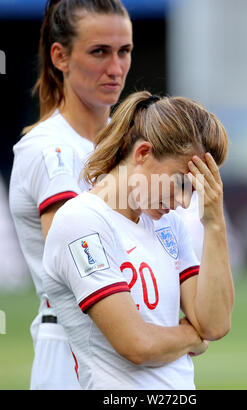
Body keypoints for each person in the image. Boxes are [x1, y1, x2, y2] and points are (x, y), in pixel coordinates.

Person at [42, 91, 235, 390]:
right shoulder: (81, 222)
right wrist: (192, 337)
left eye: (194, 190)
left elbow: (215, 323)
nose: (184, 202)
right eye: (180, 183)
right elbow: (137, 344)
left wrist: (215, 224)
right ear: (143, 153)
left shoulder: (167, 223)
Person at [9, 0, 133, 390]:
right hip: (73, 345)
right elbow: (81, 265)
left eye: (124, 51)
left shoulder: (136, 145)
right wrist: (160, 338)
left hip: (132, 334)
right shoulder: (50, 150)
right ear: (60, 56)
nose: (115, 68)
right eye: (99, 52)